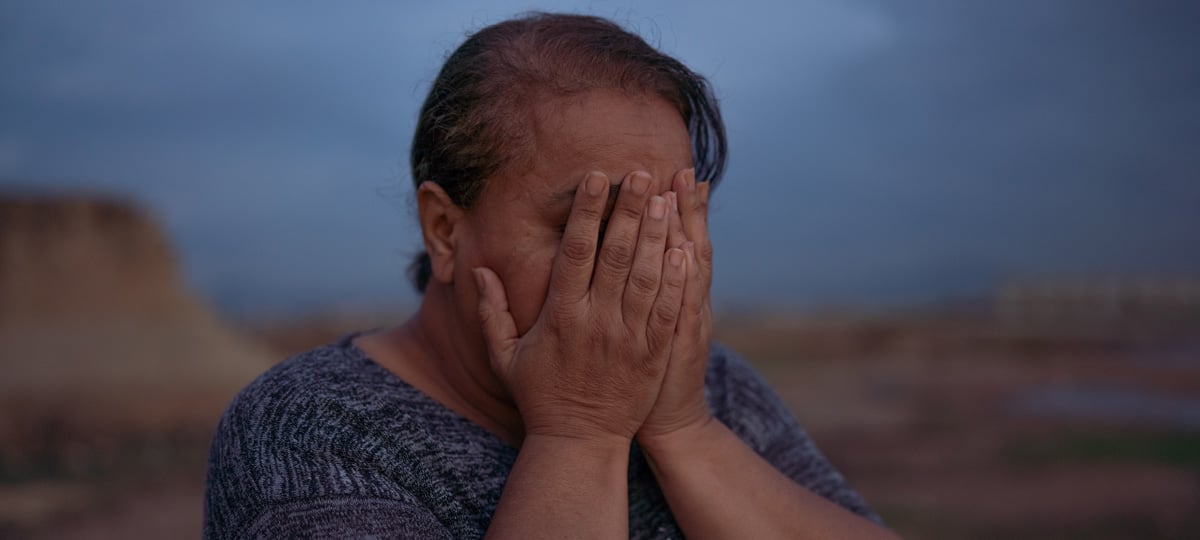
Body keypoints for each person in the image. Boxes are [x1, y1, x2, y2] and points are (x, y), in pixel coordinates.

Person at [204, 12, 898, 539]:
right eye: (590, 227)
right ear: (445, 230)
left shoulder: (716, 389)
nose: (638, 269)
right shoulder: (311, 428)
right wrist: (580, 434)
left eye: (662, 225)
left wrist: (686, 433)